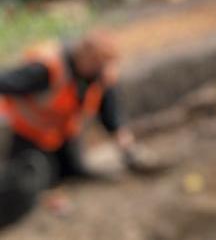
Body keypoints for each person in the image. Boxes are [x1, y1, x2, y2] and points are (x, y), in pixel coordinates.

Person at [0, 30, 143, 228]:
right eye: (98, 65)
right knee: (28, 182)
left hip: (63, 135)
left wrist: (120, 135)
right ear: (84, 56)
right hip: (30, 135)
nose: (102, 71)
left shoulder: (96, 75)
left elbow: (107, 106)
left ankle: (65, 176)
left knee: (72, 169)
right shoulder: (46, 69)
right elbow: (5, 81)